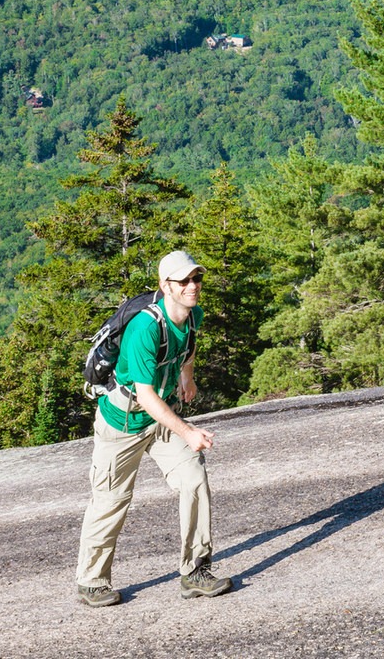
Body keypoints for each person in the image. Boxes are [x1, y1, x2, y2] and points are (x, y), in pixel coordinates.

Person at [75, 250, 232, 607]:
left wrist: (186, 378)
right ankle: (91, 581)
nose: (193, 286)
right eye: (184, 281)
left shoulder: (192, 315)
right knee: (111, 500)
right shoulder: (145, 328)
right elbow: (144, 396)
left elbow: (188, 348)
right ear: (165, 286)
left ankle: (195, 572)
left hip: (162, 417)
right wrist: (189, 432)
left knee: (194, 482)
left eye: (197, 279)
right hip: (124, 423)